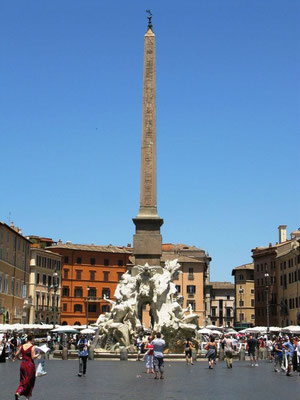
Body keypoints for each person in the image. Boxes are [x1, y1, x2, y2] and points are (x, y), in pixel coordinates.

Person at [15, 333, 39, 400]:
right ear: (32, 339)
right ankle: (27, 397)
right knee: (30, 381)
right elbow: (33, 357)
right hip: (29, 366)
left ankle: (18, 392)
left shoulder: (22, 346)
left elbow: (16, 354)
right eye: (33, 340)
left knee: (23, 380)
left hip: (22, 365)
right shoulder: (32, 347)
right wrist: (39, 354)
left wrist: (19, 358)